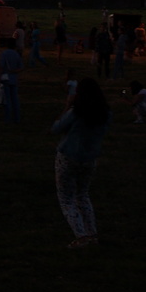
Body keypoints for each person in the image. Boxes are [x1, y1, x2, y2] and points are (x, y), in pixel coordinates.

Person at [53, 76, 111, 248]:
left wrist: (67, 107)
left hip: (68, 156)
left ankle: (81, 235)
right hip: (89, 158)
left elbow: (57, 128)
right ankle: (92, 233)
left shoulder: (76, 112)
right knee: (83, 195)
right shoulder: (105, 114)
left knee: (66, 199)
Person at [0, 37, 23, 123]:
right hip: (14, 78)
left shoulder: (4, 54)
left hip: (6, 77)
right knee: (15, 99)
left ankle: (7, 118)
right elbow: (20, 67)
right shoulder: (17, 54)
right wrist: (14, 71)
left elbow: (1, 66)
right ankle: (17, 117)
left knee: (6, 99)